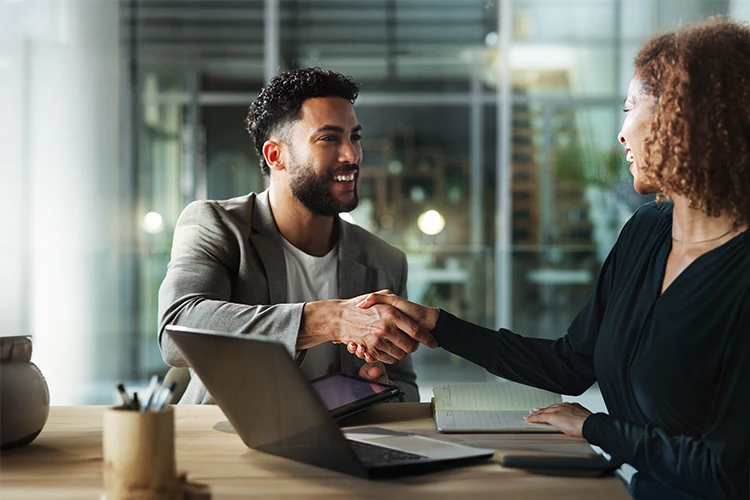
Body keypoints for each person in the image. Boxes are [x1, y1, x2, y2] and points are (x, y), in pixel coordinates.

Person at [347, 18, 750, 499]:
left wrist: (595, 429)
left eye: (630, 109)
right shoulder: (646, 232)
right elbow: (571, 364)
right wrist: (437, 323)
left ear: (685, 119)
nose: (622, 134)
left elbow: (727, 471)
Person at [157, 67, 436, 404]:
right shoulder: (216, 225)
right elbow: (177, 330)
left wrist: (379, 389)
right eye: (329, 138)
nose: (352, 155)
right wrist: (331, 320)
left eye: (355, 137)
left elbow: (405, 390)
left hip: (342, 444)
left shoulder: (385, 261)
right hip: (225, 439)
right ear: (276, 155)